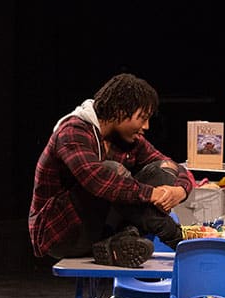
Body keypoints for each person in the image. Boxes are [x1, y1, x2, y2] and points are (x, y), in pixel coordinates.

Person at [29, 73, 193, 267]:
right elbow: (97, 180)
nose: (146, 127)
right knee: (112, 171)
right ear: (120, 110)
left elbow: (171, 164)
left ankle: (117, 243)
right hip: (61, 234)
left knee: (161, 171)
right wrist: (152, 194)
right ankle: (177, 239)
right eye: (142, 118)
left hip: (99, 230)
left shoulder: (128, 140)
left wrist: (179, 190)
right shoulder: (73, 132)